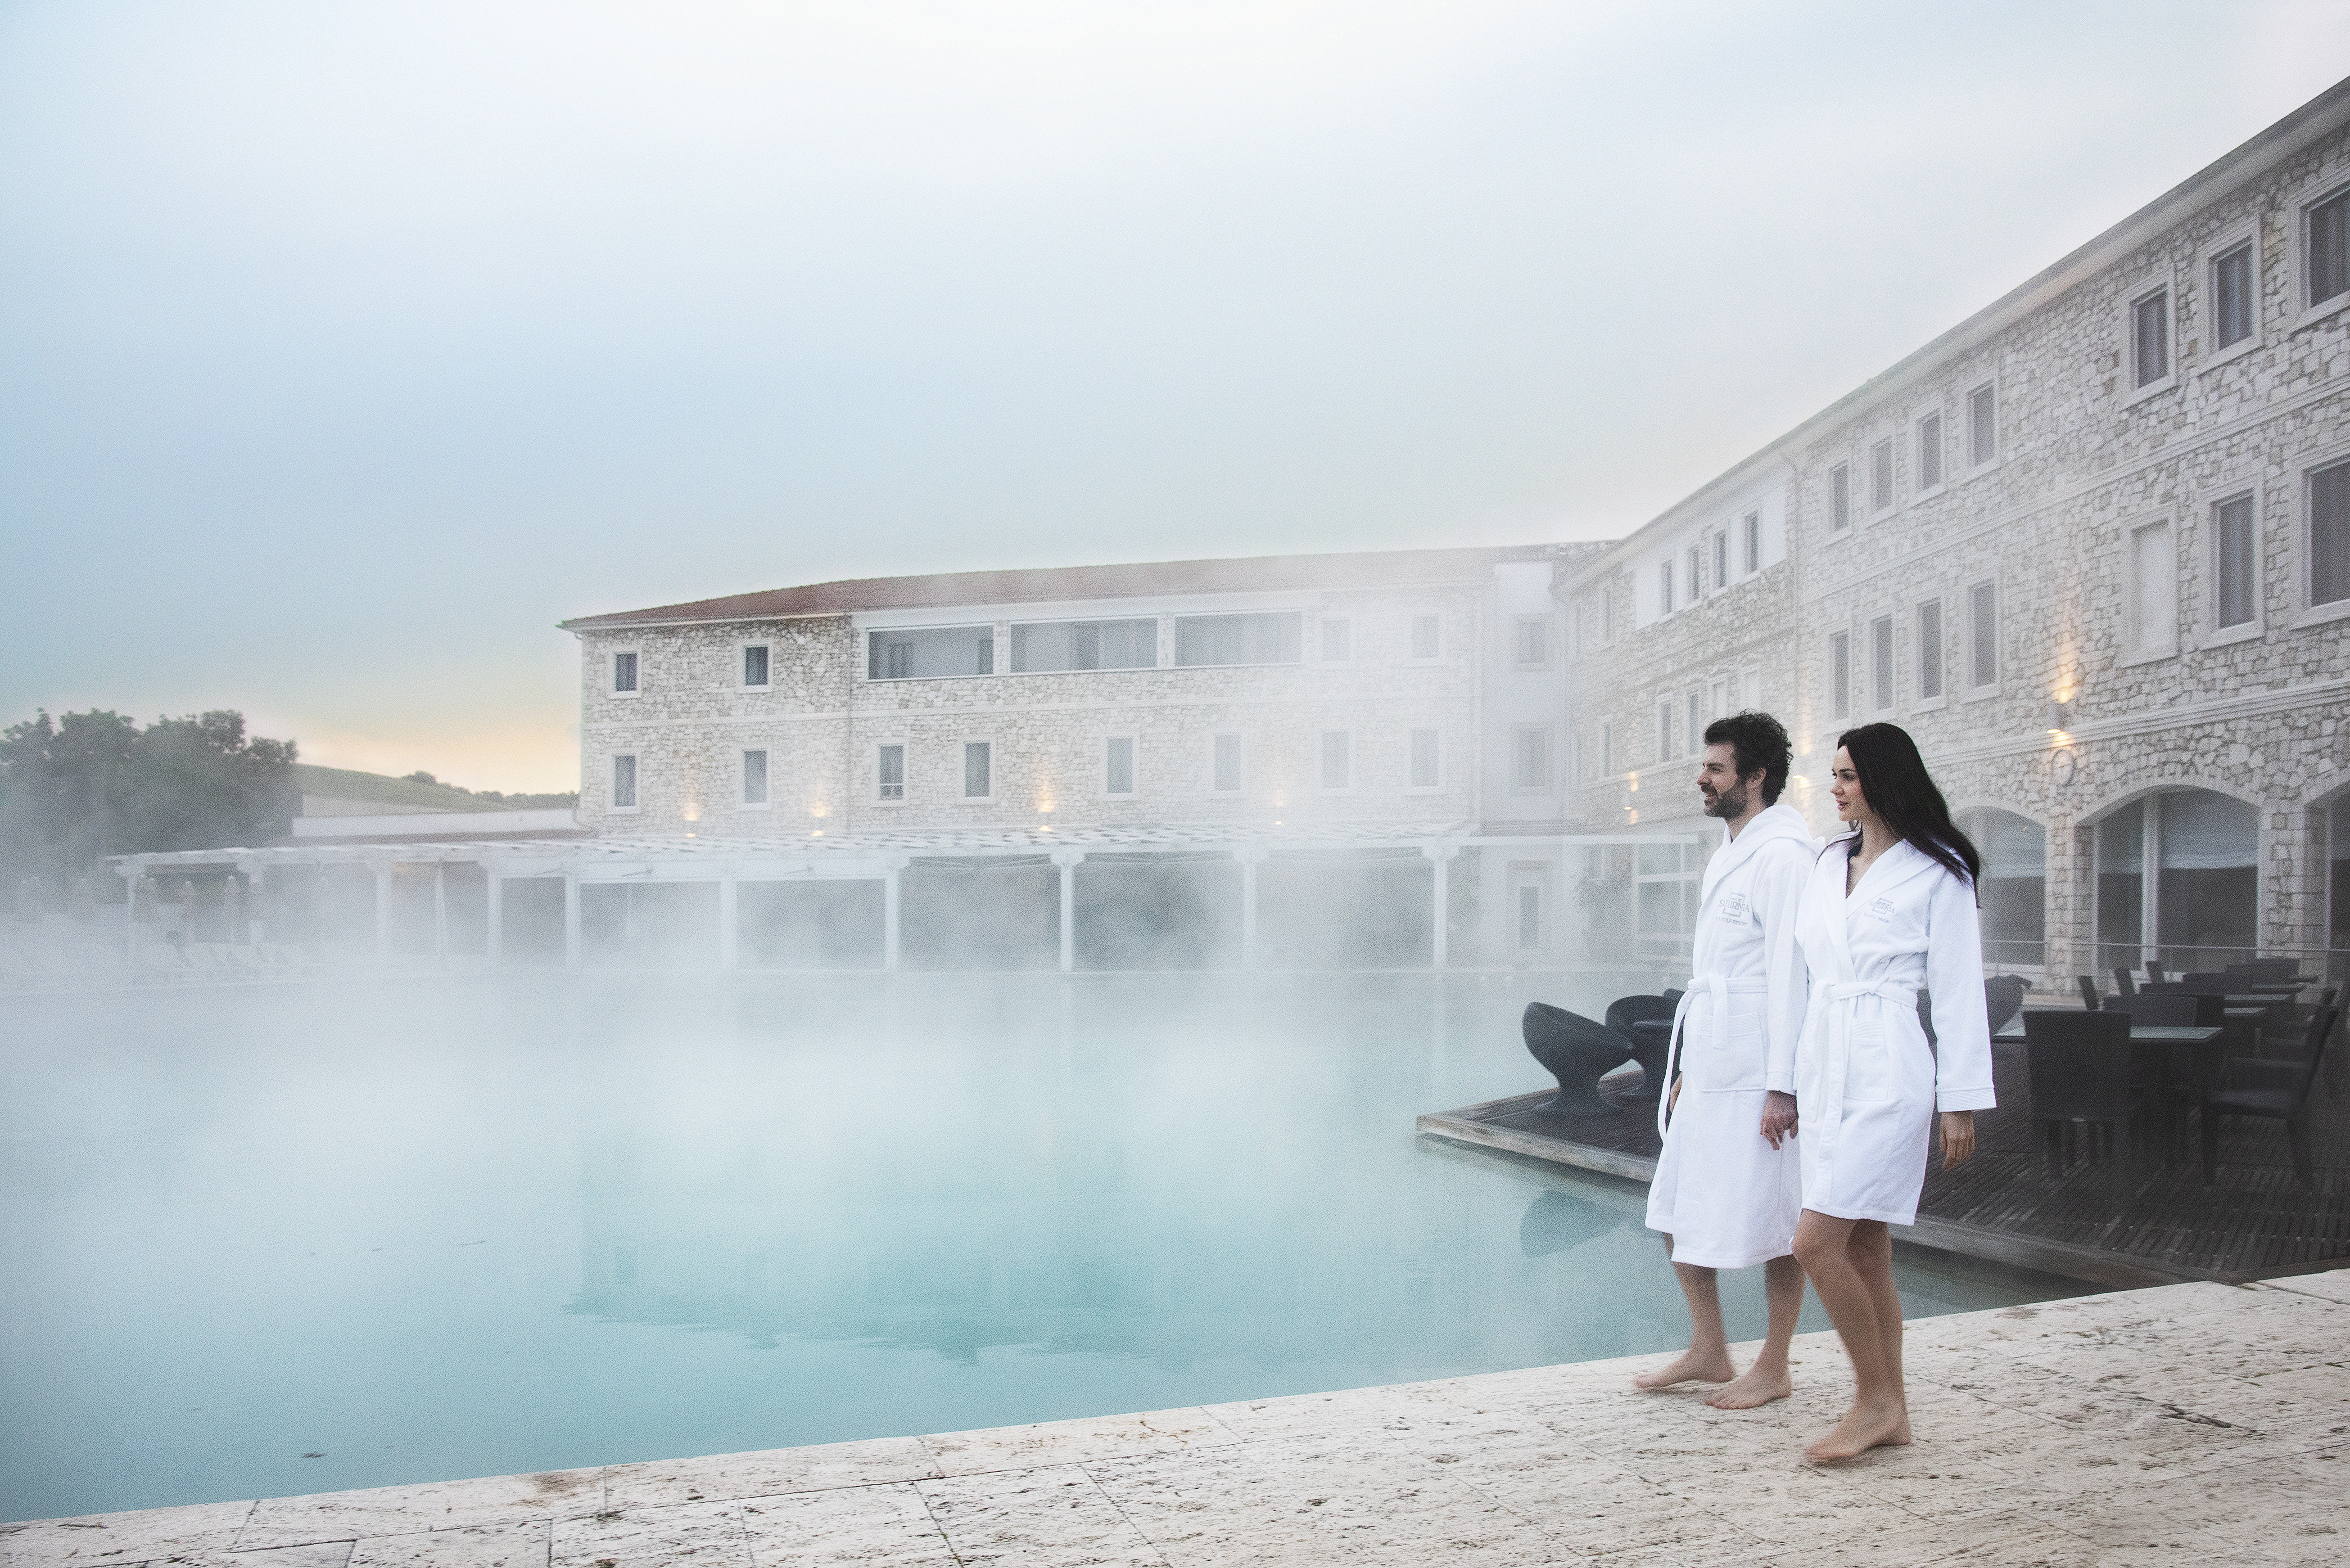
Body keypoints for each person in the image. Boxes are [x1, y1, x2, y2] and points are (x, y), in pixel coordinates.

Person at [1781, 722, 1993, 1462]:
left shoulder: (1940, 872)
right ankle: (1892, 1411)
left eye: (1845, 776)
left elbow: (1961, 991)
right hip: (1826, 1059)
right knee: (1866, 1247)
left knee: (1815, 1241)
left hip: (1890, 1062)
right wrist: (1787, 1080)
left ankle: (1871, 1400)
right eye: (1832, 776)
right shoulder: (1825, 862)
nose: (1833, 788)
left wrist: (1959, 1100)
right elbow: (1799, 976)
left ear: (1882, 778)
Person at [1633, 712, 1816, 1408]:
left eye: (1715, 768)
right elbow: (1717, 970)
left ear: (1756, 777)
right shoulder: (1730, 853)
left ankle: (1774, 1363)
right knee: (1677, 1207)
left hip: (1759, 1071)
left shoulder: (1784, 857)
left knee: (1776, 1223)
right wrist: (1686, 1069)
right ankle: (1710, 1349)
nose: (1701, 779)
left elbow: (1790, 974)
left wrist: (1784, 1086)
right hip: (1712, 1062)